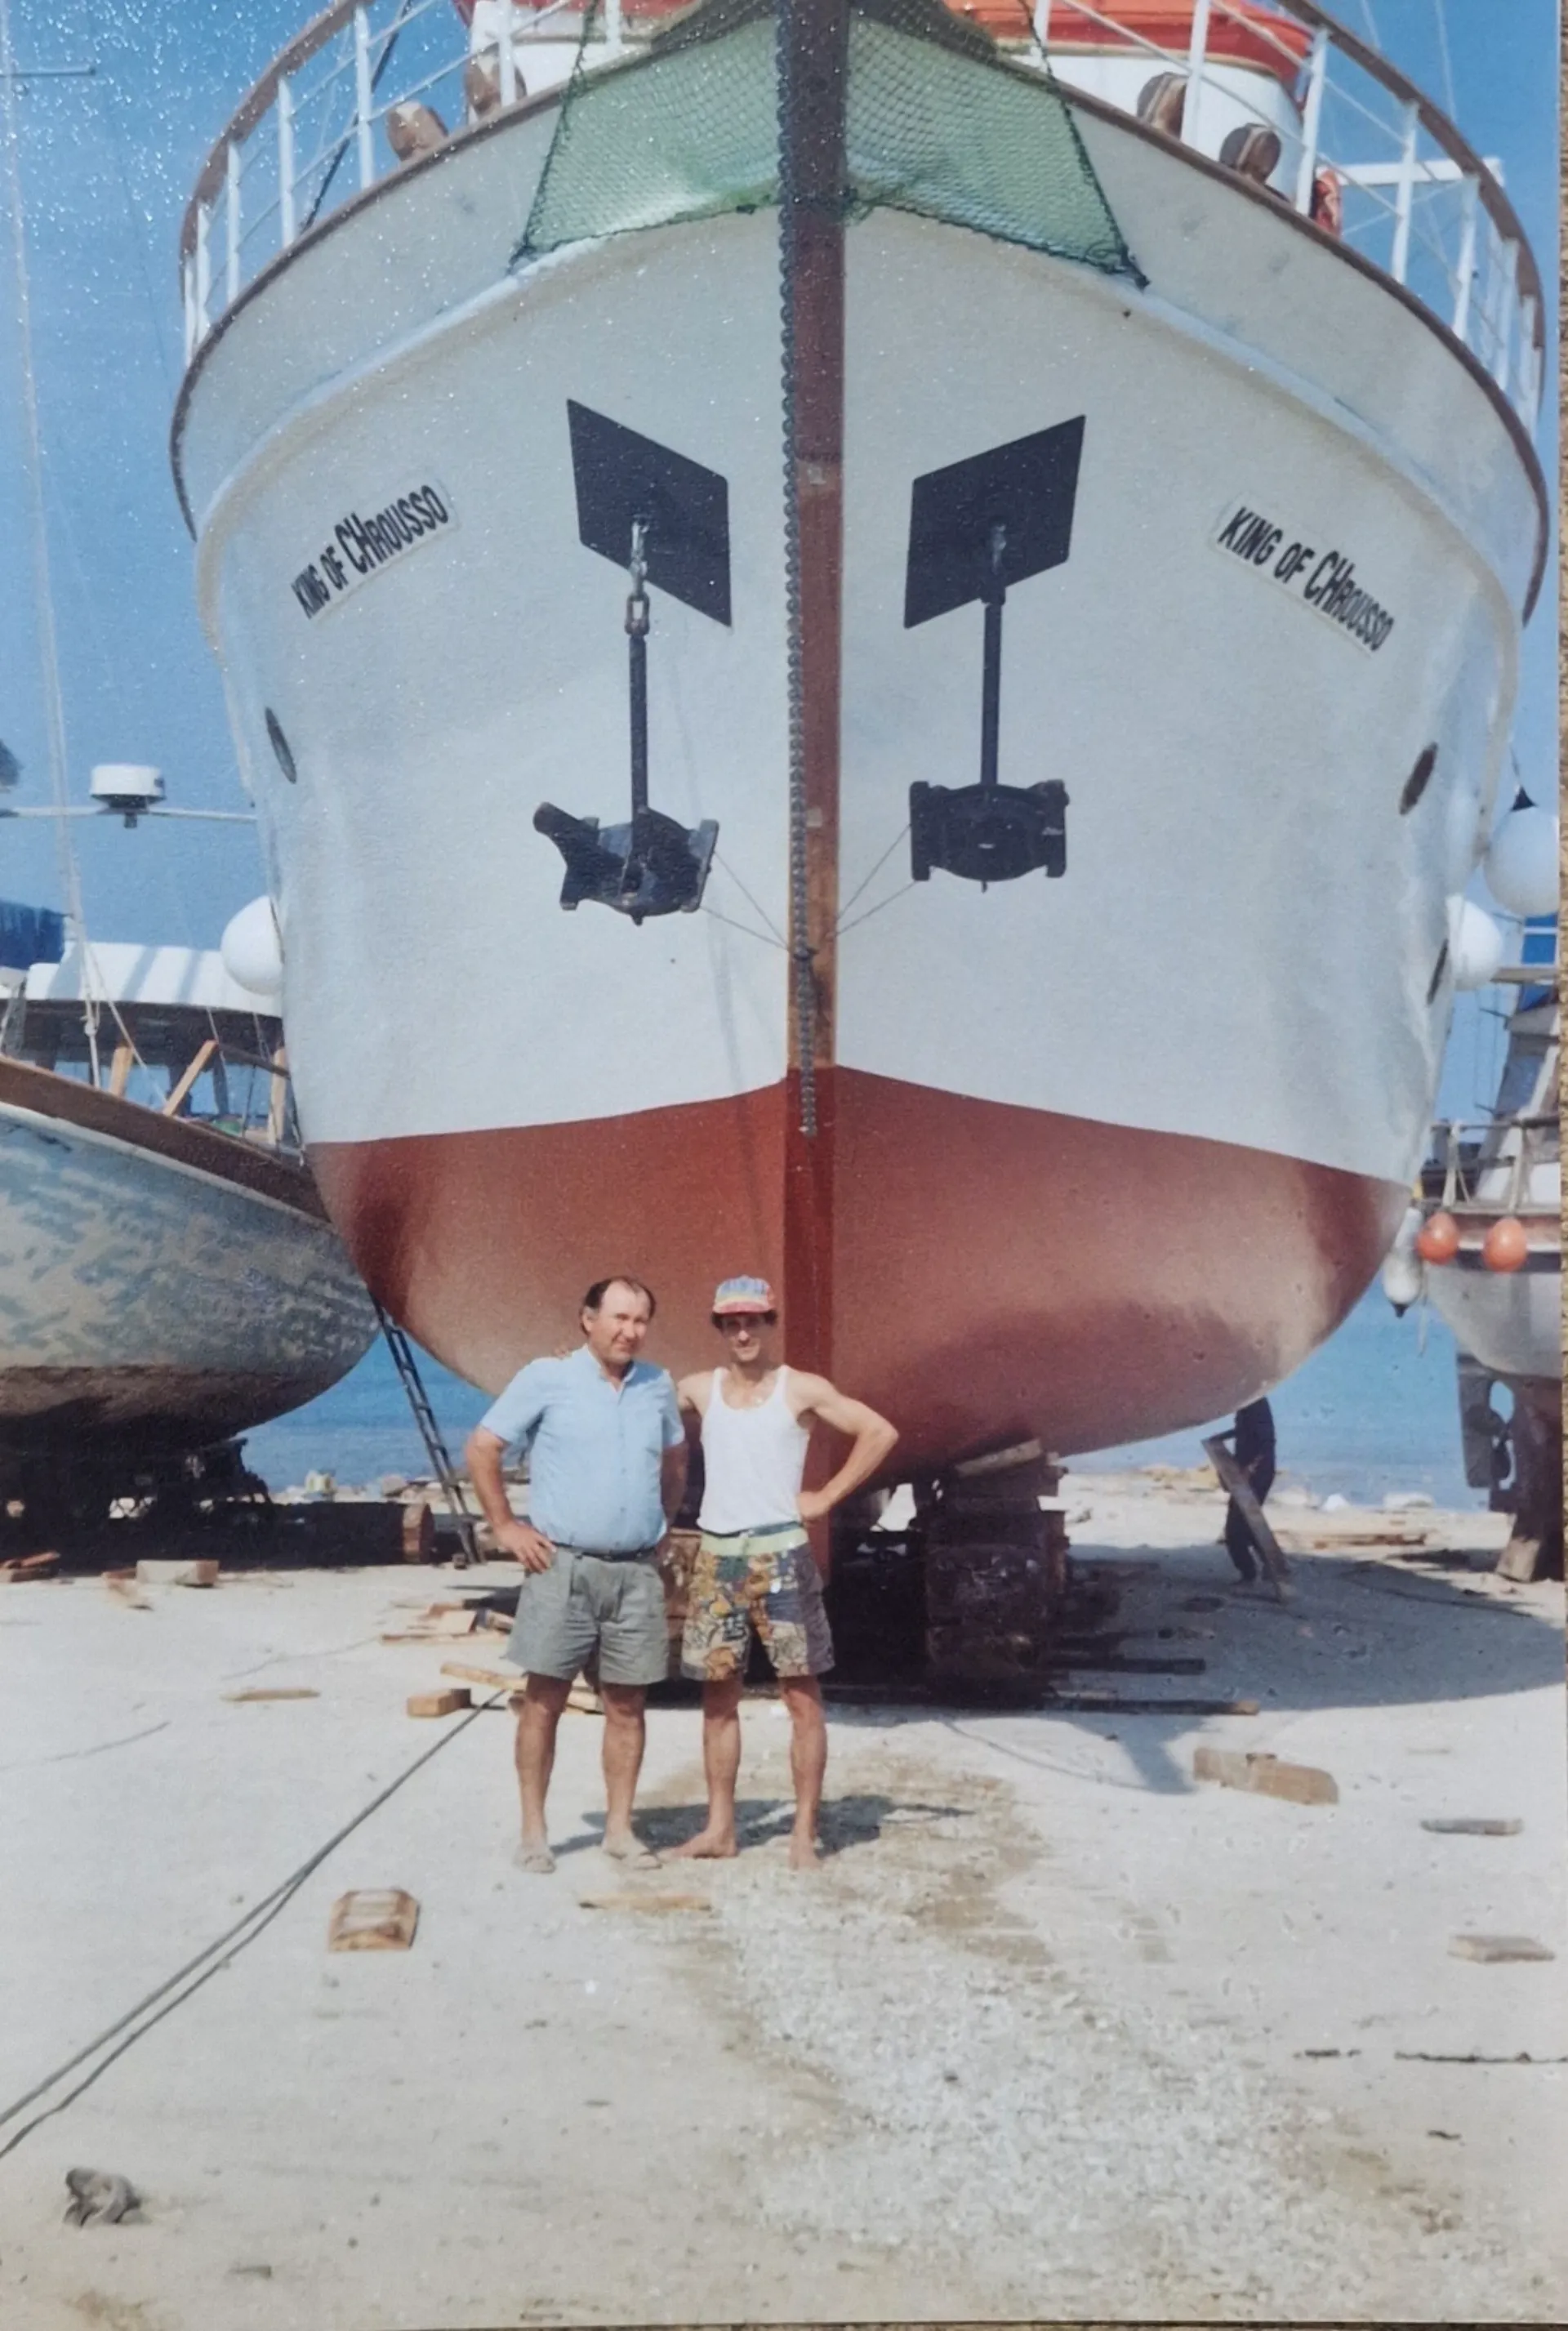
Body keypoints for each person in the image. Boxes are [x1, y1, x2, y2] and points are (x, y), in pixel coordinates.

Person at [672, 1277, 898, 1870]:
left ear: (771, 1324)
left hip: (783, 1559)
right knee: (718, 1699)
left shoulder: (801, 1389)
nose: (743, 1333)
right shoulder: (698, 1389)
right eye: (731, 1323)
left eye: (753, 1321)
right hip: (718, 1557)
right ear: (720, 1329)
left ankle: (803, 1834)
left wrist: (827, 1496)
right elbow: (626, 1401)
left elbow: (879, 1432)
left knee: (801, 1697)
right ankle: (720, 1829)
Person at [464, 1277, 687, 1874]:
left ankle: (620, 1831)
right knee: (544, 1701)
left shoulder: (657, 1386)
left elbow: (676, 1459)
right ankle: (534, 1834)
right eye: (619, 1318)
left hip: (635, 1573)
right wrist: (505, 1525)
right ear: (588, 1319)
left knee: (628, 1705)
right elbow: (483, 1447)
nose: (629, 1331)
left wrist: (664, 1522)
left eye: (640, 1320)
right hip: (561, 1567)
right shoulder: (548, 1377)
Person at [1223, 1396, 1276, 1582]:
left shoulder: (1255, 1403)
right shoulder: (1247, 1401)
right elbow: (1246, 1432)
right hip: (1253, 1473)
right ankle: (1268, 1565)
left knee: (1236, 1528)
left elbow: (1267, 1441)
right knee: (1246, 1523)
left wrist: (1250, 1469)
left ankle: (1251, 1573)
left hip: (1257, 1475)